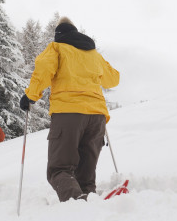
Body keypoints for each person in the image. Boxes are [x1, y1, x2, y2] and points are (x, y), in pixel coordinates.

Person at [20, 17, 120, 201]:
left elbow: (43, 70)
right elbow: (113, 79)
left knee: (59, 169)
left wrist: (30, 96)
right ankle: (89, 203)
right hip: (97, 117)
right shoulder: (93, 54)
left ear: (59, 34)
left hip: (69, 114)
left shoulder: (57, 48)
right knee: (86, 175)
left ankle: (77, 204)